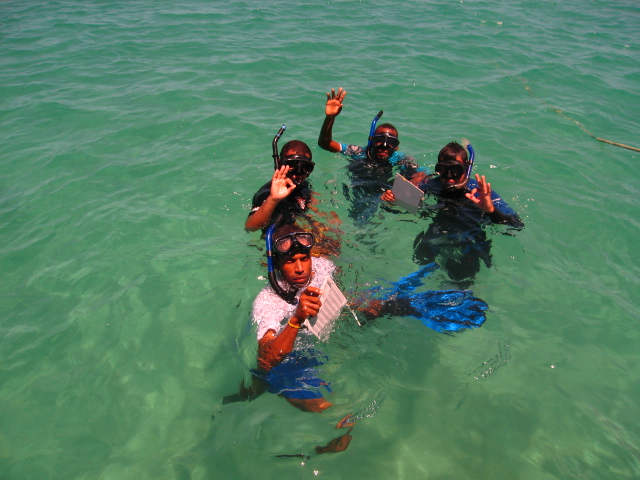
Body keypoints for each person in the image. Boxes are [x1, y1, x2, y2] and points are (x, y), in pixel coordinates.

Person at [381, 141, 524, 287]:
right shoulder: (433, 184)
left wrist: (491, 210)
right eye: (443, 170)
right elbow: (402, 205)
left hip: (470, 238)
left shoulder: (480, 193)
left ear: (466, 169)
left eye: (456, 171)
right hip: (438, 231)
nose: (449, 178)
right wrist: (391, 200)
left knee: (461, 280)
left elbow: (517, 224)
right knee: (421, 258)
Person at [317, 87, 426, 224]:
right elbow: (325, 143)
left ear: (396, 147)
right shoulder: (359, 152)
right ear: (371, 140)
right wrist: (330, 118)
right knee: (356, 222)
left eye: (390, 142)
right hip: (356, 191)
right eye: (379, 140)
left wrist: (402, 191)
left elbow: (421, 174)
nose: (384, 146)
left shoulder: (400, 159)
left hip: (383, 195)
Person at [245, 140, 316, 233]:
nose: (297, 173)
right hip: (279, 238)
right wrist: (273, 199)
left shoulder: (302, 184)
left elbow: (310, 201)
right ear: (279, 163)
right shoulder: (267, 193)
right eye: (291, 165)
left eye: (305, 166)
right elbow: (251, 227)